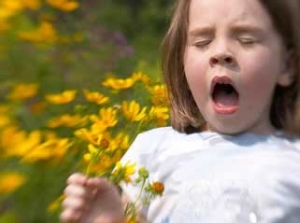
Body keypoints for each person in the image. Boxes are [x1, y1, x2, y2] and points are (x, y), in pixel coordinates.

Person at [60, 0, 300, 222]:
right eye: (202, 42)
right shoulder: (154, 150)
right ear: (182, 60)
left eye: (246, 39)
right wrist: (111, 218)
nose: (220, 53)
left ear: (287, 65)